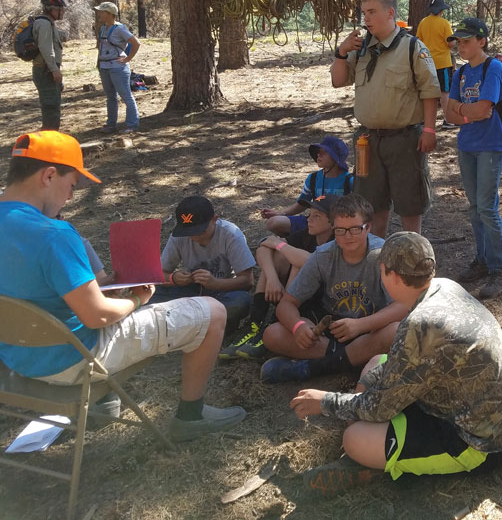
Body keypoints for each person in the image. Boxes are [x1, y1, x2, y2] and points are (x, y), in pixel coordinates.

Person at [0, 131, 245, 442]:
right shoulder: (54, 234)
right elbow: (97, 317)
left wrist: (103, 294)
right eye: (72, 185)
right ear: (49, 175)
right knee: (213, 311)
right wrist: (136, 300)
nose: (70, 197)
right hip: (75, 360)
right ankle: (190, 416)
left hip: (15, 361)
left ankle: (105, 404)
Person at [289, 232, 502, 497]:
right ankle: (372, 447)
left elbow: (380, 408)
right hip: (470, 410)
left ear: (391, 275)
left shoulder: (421, 323)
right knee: (375, 363)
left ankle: (363, 463)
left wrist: (324, 402)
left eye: (380, 270)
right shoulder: (445, 286)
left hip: (478, 443)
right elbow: (397, 372)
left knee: (355, 438)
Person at [331, 0, 441, 238]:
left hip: (405, 140)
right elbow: (338, 81)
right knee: (371, 207)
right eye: (363, 13)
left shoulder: (412, 47)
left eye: (372, 12)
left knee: (410, 206)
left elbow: (430, 91)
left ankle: (412, 259)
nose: (366, 18)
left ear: (390, 13)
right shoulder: (360, 48)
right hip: (367, 142)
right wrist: (341, 51)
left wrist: (429, 129)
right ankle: (376, 261)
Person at [259, 194, 405, 383]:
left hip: (371, 328)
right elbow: (286, 304)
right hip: (331, 332)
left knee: (395, 331)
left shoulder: (383, 255)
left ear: (368, 227)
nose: (347, 236)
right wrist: (298, 327)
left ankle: (312, 369)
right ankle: (355, 359)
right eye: (340, 231)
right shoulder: (323, 256)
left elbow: (403, 306)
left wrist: (361, 325)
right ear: (332, 228)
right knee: (272, 334)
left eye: (355, 229)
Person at [442, 18, 502, 299]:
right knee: (474, 207)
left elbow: (485, 109)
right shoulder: (461, 72)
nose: (460, 46)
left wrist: (463, 110)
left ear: (481, 41)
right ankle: (483, 259)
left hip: (490, 146)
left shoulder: (492, 68)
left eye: (466, 41)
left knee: (487, 207)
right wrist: (466, 110)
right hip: (467, 145)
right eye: (458, 42)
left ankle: (501, 271)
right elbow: (449, 114)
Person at [220, 196, 337, 360]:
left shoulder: (336, 242)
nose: (309, 219)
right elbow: (263, 247)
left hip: (315, 303)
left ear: (333, 223)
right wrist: (272, 278)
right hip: (294, 294)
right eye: (309, 214)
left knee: (294, 261)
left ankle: (273, 323)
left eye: (317, 216)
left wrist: (279, 244)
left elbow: (311, 262)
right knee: (275, 257)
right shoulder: (308, 234)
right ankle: (256, 322)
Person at [155, 195, 255, 331]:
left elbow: (247, 281)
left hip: (221, 293)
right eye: (188, 231)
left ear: (214, 219)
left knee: (241, 301)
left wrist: (215, 283)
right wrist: (174, 278)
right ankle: (204, 322)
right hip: (189, 292)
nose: (194, 236)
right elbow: (158, 274)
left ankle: (185, 322)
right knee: (150, 294)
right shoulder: (178, 237)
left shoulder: (230, 235)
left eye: (200, 231)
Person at [260, 136, 352, 236]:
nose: (318, 155)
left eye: (324, 152)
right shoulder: (313, 178)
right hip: (312, 222)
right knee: (273, 223)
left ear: (335, 158)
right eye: (318, 151)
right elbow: (302, 204)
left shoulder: (349, 180)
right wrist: (281, 213)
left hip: (338, 227)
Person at [94, 1, 141, 134]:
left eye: (102, 11)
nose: (99, 14)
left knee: (126, 96)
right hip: (104, 66)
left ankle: (132, 125)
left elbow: (136, 43)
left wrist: (127, 59)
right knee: (110, 97)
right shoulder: (103, 28)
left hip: (117, 68)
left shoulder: (119, 28)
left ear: (109, 14)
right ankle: (111, 125)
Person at [416, 0, 457, 130]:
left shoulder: (423, 22)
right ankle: (448, 120)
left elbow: (418, 41)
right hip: (442, 64)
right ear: (441, 10)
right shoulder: (444, 23)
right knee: (445, 92)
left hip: (426, 63)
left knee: (426, 92)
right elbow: (450, 43)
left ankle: (422, 120)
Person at [31, 0, 67, 131]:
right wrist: (54, 69)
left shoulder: (47, 23)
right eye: (60, 9)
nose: (62, 12)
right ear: (51, 9)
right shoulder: (44, 23)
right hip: (45, 70)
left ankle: (50, 135)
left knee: (52, 105)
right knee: (50, 106)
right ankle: (49, 138)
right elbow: (46, 48)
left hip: (47, 69)